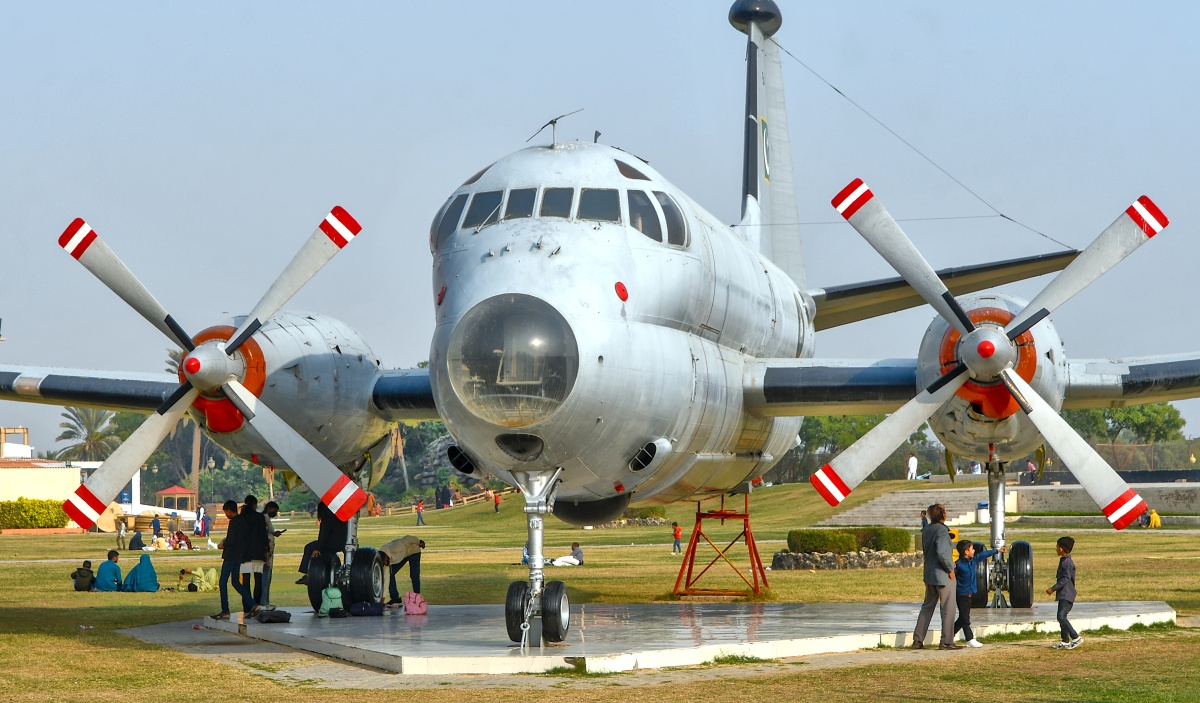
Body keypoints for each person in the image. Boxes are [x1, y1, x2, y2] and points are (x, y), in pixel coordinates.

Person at [912, 503, 959, 650]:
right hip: (943, 574)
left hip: (929, 573)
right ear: (943, 515)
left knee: (927, 607)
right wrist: (950, 569)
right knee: (948, 609)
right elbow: (942, 552)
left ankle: (918, 640)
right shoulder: (942, 531)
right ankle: (946, 641)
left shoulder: (927, 529)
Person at [953, 540, 1004, 647]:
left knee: (963, 618)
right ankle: (970, 639)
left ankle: (948, 636)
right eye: (972, 549)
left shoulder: (973, 561)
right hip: (961, 595)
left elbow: (982, 555)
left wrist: (996, 551)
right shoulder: (958, 565)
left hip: (969, 594)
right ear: (966, 552)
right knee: (965, 619)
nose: (974, 550)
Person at [214, 499, 257, 620]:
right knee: (236, 582)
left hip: (230, 556)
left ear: (228, 510)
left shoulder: (234, 522)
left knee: (223, 582)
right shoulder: (243, 521)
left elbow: (232, 540)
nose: (225, 515)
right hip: (238, 556)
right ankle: (253, 604)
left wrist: (223, 544)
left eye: (225, 512)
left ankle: (225, 610)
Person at [297, 502, 349, 585]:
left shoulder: (327, 519)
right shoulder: (340, 516)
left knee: (309, 547)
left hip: (331, 543)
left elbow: (324, 535)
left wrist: (318, 548)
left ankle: (306, 572)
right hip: (341, 542)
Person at [1047, 535, 1081, 649]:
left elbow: (1066, 579)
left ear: (1061, 548)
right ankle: (1065, 641)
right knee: (1061, 617)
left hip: (1067, 594)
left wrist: (1053, 588)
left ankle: (1075, 637)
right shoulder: (1064, 561)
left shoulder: (1066, 562)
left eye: (1057, 547)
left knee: (1061, 617)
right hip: (1063, 594)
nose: (1056, 549)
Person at [238, 495, 270, 605]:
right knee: (258, 580)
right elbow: (263, 536)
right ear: (255, 504)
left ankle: (247, 605)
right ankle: (257, 604)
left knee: (245, 581)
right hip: (257, 552)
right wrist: (267, 550)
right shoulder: (259, 517)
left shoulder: (241, 518)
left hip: (244, 553)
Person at [379, 535, 425, 602]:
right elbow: (386, 578)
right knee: (390, 574)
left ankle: (417, 598)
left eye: (384, 563)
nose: (384, 565)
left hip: (413, 552)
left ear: (386, 558)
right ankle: (395, 598)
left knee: (414, 575)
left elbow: (407, 538)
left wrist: (419, 542)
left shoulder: (396, 547)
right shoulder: (384, 559)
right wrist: (383, 597)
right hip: (403, 556)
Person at [262, 501, 283, 607]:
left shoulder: (266, 518)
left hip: (268, 549)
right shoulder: (264, 518)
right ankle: (264, 601)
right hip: (267, 551)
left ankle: (264, 600)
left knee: (266, 576)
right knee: (266, 576)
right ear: (270, 508)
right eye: (274, 510)